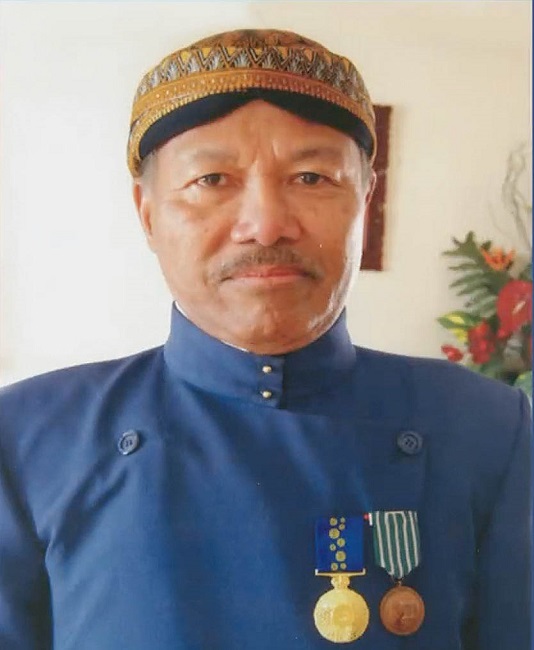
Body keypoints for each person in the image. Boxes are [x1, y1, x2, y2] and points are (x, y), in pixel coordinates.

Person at [0, 28, 530, 650]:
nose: (266, 224)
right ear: (147, 213)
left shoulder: (488, 428)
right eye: (212, 179)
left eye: (311, 177)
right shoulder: (27, 436)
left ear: (363, 201)